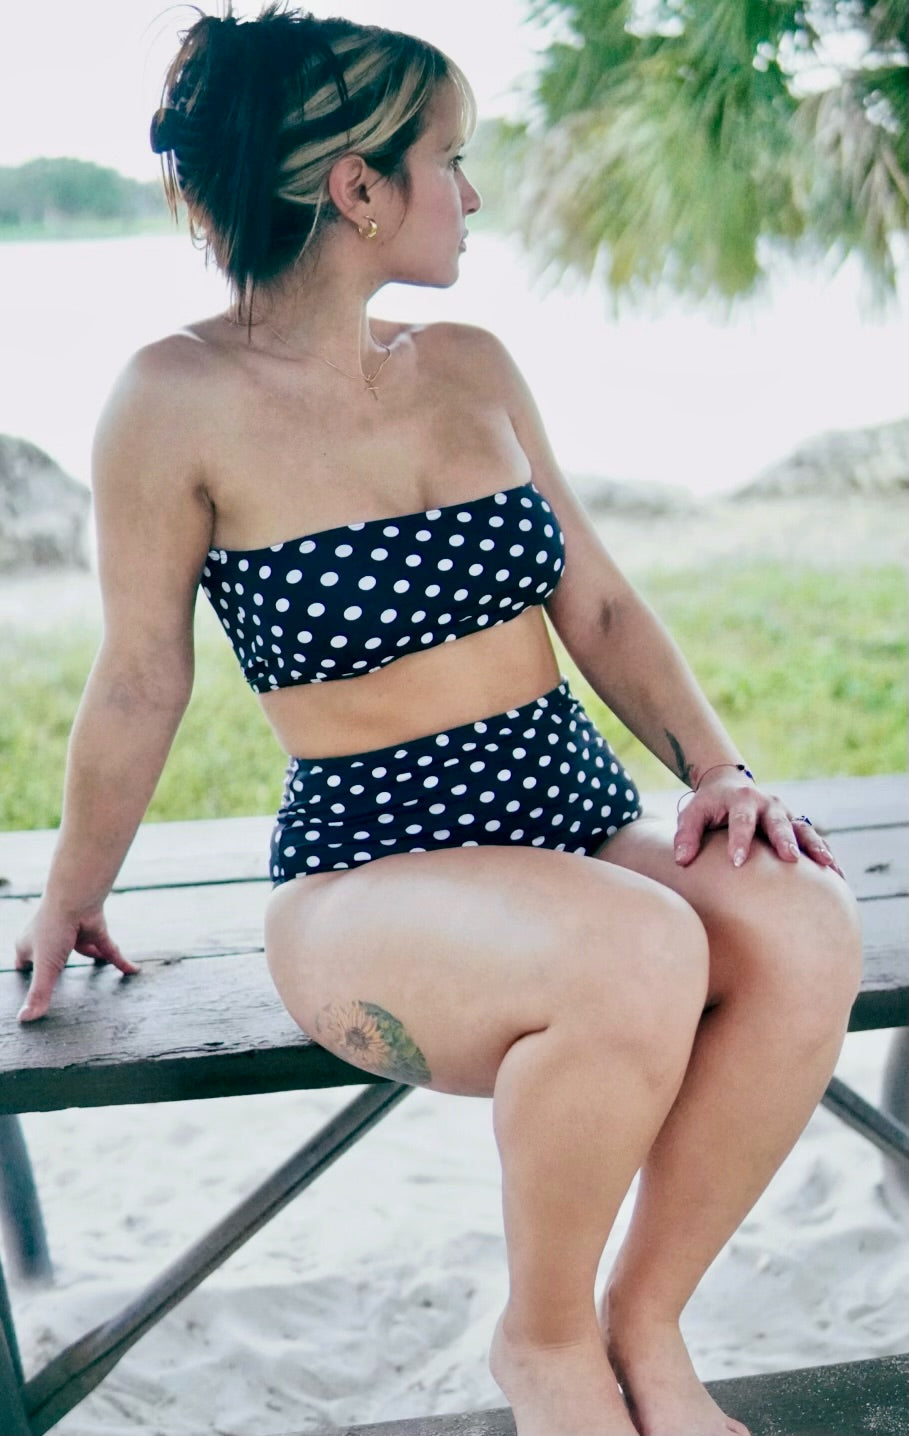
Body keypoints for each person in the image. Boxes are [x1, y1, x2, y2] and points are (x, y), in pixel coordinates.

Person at [14, 7, 862, 1435]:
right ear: (354, 189)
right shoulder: (173, 398)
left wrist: (718, 771)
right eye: (449, 162)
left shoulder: (469, 362)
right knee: (635, 949)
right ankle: (541, 1350)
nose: (471, 196)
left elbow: (594, 606)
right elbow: (141, 678)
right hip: (370, 878)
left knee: (799, 918)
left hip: (574, 827)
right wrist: (70, 897)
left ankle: (643, 1330)